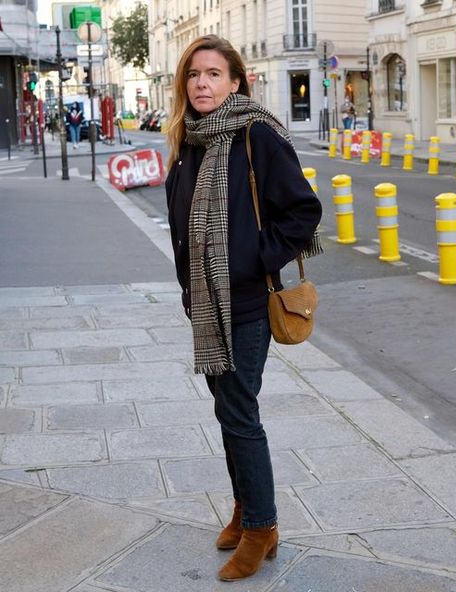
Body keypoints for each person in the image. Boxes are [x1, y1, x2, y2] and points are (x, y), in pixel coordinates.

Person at [165, 35, 322, 582]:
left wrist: (253, 261)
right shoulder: (192, 139)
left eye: (213, 74)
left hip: (248, 303)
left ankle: (262, 528)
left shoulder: (256, 135)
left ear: (236, 82)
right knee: (229, 414)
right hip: (207, 305)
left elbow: (303, 213)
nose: (202, 83)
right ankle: (244, 509)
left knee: (240, 416)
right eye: (193, 74)